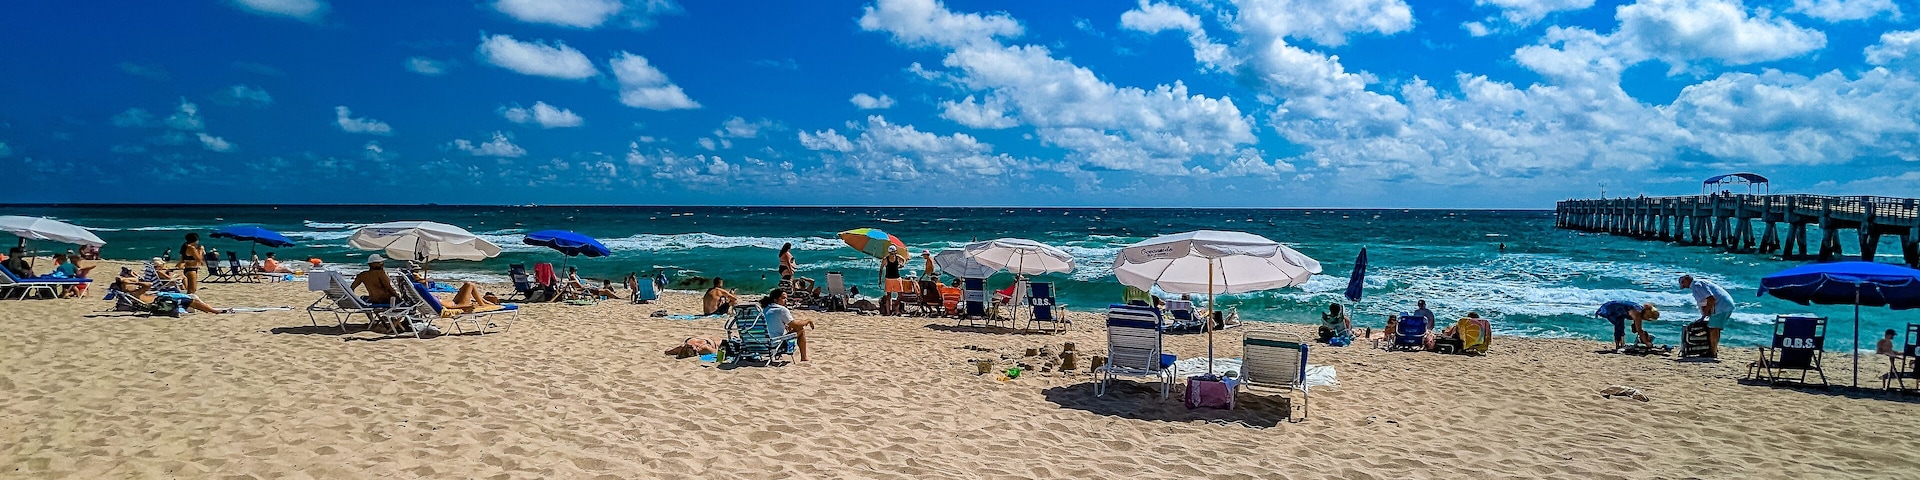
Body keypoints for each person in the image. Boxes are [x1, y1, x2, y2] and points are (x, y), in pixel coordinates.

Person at [113, 271, 225, 314]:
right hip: (161, 302)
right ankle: (213, 311)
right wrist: (134, 281)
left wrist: (129, 281)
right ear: (124, 288)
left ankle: (209, 309)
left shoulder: (134, 293)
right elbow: (149, 285)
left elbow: (148, 285)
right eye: (128, 284)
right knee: (191, 300)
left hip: (160, 299)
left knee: (192, 298)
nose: (131, 284)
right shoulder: (134, 293)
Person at [1679, 274, 1735, 358]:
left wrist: (1705, 312)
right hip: (1725, 305)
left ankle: (1712, 353)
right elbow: (1706, 300)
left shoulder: (1697, 285)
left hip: (1721, 306)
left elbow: (1711, 299)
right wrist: (1705, 312)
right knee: (1714, 328)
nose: (1683, 285)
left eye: (1683, 282)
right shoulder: (1697, 285)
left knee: (1714, 329)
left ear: (1688, 279)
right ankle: (1713, 350)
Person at [760, 289, 815, 362]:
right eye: (783, 298)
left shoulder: (764, 309)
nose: (786, 300)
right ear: (775, 299)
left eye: (786, 298)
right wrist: (808, 320)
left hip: (760, 342)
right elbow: (797, 325)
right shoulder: (781, 309)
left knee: (786, 328)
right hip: (774, 343)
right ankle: (804, 358)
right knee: (801, 330)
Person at [1595, 301, 1660, 351]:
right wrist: (1647, 343)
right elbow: (1639, 330)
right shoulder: (1637, 313)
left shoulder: (1640, 310)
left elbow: (1636, 328)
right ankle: (1618, 346)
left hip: (1617, 309)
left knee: (1620, 323)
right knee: (1619, 324)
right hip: (1611, 308)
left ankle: (1621, 345)